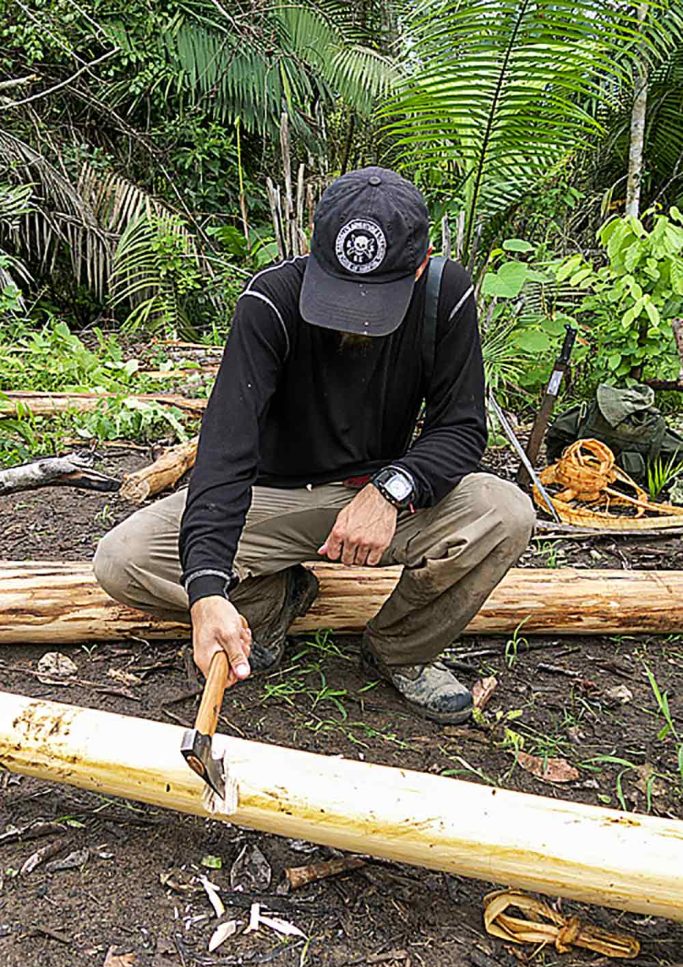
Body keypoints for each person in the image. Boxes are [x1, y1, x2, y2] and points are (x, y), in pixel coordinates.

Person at [94, 167, 535, 724]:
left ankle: (400, 650)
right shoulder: (271, 301)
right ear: (313, 251)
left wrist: (391, 490)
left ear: (419, 265)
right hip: (274, 497)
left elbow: (462, 428)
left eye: (376, 302)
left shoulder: (444, 296)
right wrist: (206, 591)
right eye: (341, 296)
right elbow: (226, 450)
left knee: (505, 512)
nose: (358, 321)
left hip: (381, 497)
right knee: (123, 559)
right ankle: (273, 601)